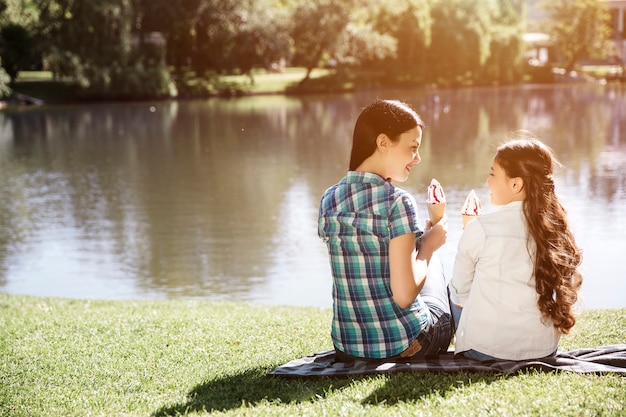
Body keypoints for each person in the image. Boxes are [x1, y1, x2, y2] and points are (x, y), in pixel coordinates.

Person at [318, 99, 453, 361]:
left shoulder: (329, 198)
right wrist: (427, 247)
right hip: (406, 345)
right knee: (434, 267)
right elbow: (403, 296)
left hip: (348, 348)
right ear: (382, 143)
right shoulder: (397, 202)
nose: (418, 158)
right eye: (412, 148)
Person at [451, 136, 583, 361]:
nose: (487, 181)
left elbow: (460, 294)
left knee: (446, 284)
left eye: (493, 174)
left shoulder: (480, 228)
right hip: (543, 349)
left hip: (485, 350)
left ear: (516, 184)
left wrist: (469, 232)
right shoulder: (555, 228)